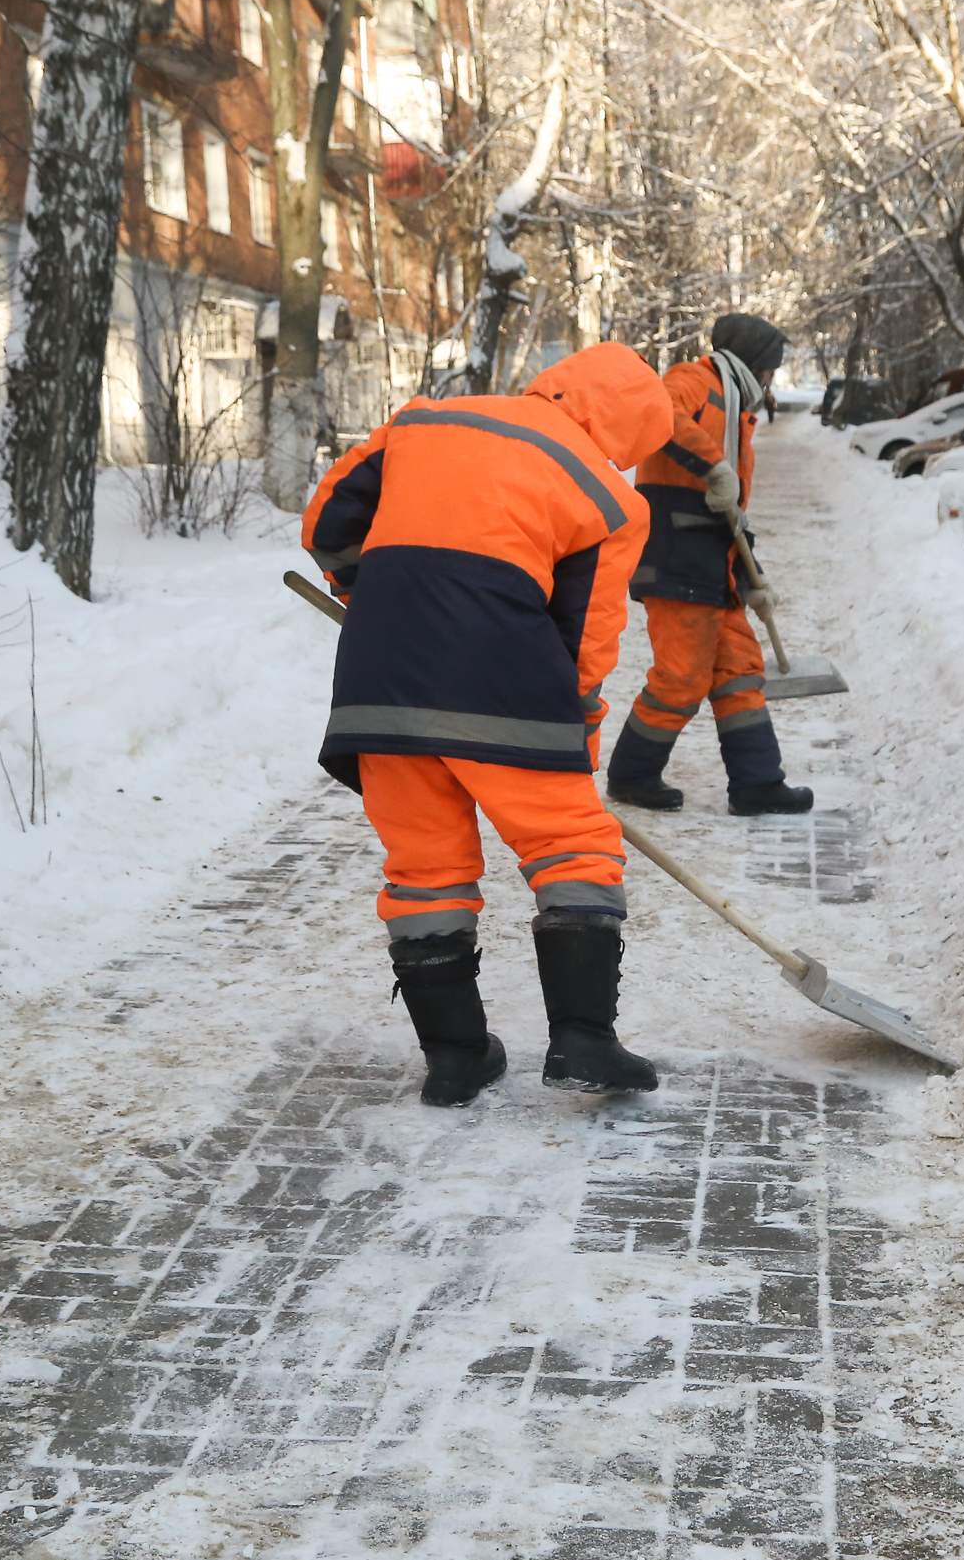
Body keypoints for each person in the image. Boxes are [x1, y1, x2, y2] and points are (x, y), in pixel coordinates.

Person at [302, 343, 676, 1109]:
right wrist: (575, 752)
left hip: (379, 682)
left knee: (424, 864)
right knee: (572, 845)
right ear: (628, 438)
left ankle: (456, 1058)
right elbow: (583, 648)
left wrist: (369, 586)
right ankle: (583, 1039)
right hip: (508, 679)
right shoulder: (610, 500)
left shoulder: (426, 418)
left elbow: (326, 522)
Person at [604, 313, 815, 818]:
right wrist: (714, 465)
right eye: (770, 368)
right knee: (681, 676)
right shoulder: (693, 380)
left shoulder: (739, 408)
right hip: (676, 558)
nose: (770, 380)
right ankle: (631, 775)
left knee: (740, 670)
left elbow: (727, 513)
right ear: (753, 363)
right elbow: (660, 418)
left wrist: (751, 577)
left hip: (713, 565)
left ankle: (757, 783)